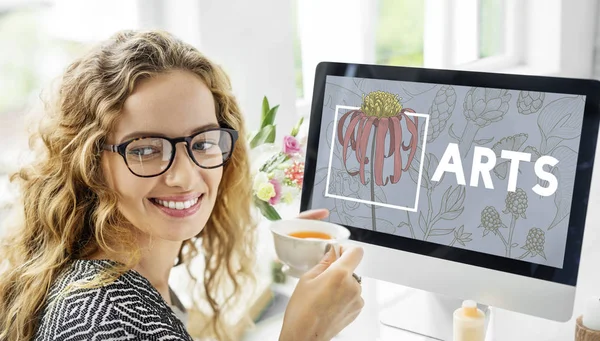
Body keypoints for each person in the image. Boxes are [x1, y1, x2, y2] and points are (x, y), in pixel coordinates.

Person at [0, 30, 364, 341]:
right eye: (145, 149)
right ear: (90, 162)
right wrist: (303, 333)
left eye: (203, 142)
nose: (185, 176)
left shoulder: (128, 282)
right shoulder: (106, 319)